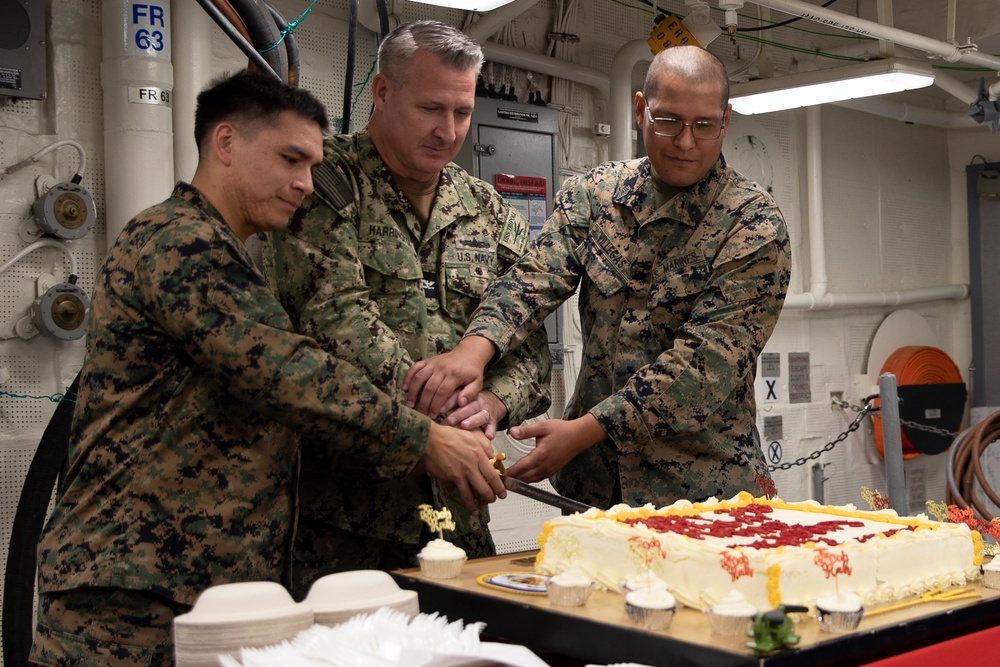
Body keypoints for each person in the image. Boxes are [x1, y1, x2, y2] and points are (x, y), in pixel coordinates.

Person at [29, 70, 505, 667]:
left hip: (196, 579)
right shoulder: (181, 243)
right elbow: (288, 371)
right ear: (226, 143)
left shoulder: (222, 250)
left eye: (312, 165)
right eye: (290, 159)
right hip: (133, 589)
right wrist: (426, 439)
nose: (305, 183)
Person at [404, 44, 792, 510]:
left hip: (706, 494)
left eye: (704, 125)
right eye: (668, 121)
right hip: (597, 489)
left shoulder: (752, 224)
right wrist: (474, 351)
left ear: (725, 120)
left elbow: (703, 369)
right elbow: (534, 278)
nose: (686, 142)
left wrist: (584, 432)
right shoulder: (595, 195)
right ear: (640, 109)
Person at [262, 20, 551, 597]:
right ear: (383, 92)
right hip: (345, 520)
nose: (448, 131)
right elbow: (336, 323)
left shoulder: (488, 213)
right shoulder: (320, 185)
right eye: (431, 108)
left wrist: (493, 403)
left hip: (459, 519)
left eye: (463, 113)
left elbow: (534, 352)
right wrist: (443, 423)